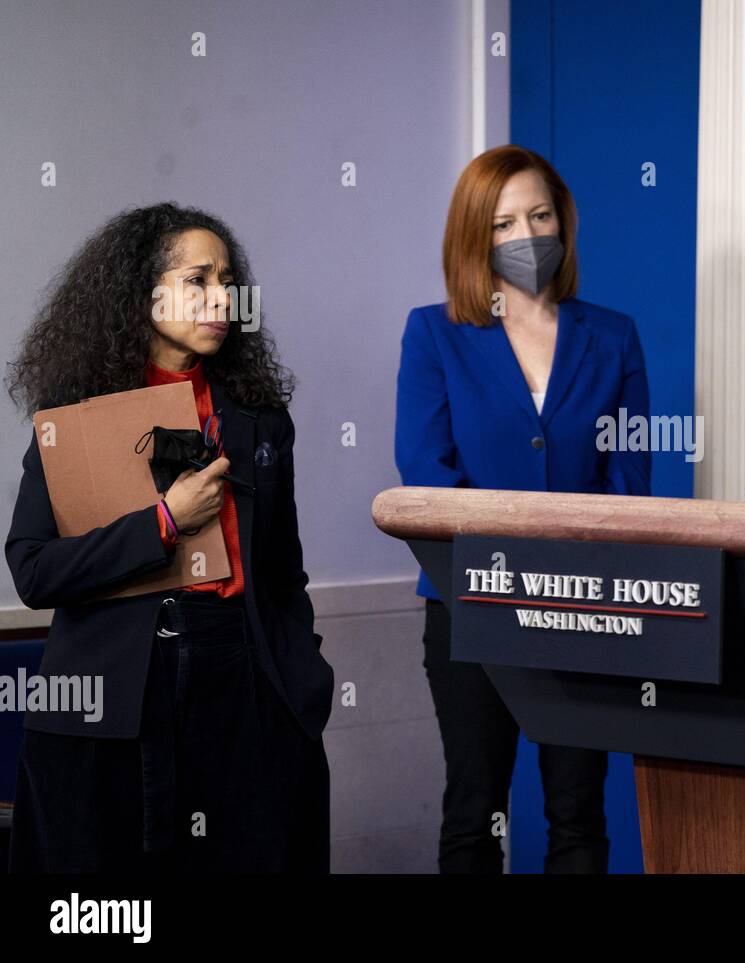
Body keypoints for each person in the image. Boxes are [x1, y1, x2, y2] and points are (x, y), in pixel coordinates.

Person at [5, 203, 333, 872]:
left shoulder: (260, 420)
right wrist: (162, 522)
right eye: (198, 280)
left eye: (229, 280)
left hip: (245, 683)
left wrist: (303, 680)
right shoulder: (77, 420)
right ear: (141, 292)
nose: (223, 298)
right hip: (119, 688)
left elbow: (284, 575)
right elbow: (35, 571)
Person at [396, 145, 652, 873]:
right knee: (475, 812)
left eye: (540, 215)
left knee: (578, 814)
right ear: (477, 237)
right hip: (468, 603)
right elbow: (424, 478)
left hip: (583, 604)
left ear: (563, 223)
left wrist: (565, 561)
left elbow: (630, 480)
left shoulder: (613, 335)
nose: (527, 235)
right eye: (505, 222)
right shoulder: (433, 334)